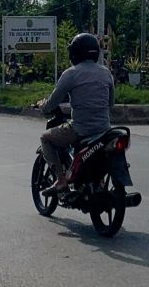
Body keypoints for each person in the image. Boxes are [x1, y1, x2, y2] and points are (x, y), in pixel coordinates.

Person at [35, 33, 114, 195]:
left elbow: (53, 102)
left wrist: (43, 106)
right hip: (104, 130)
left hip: (80, 129)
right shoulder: (106, 73)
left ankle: (61, 180)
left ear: (74, 53)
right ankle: (97, 180)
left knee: (45, 138)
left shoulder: (71, 74)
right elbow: (111, 103)